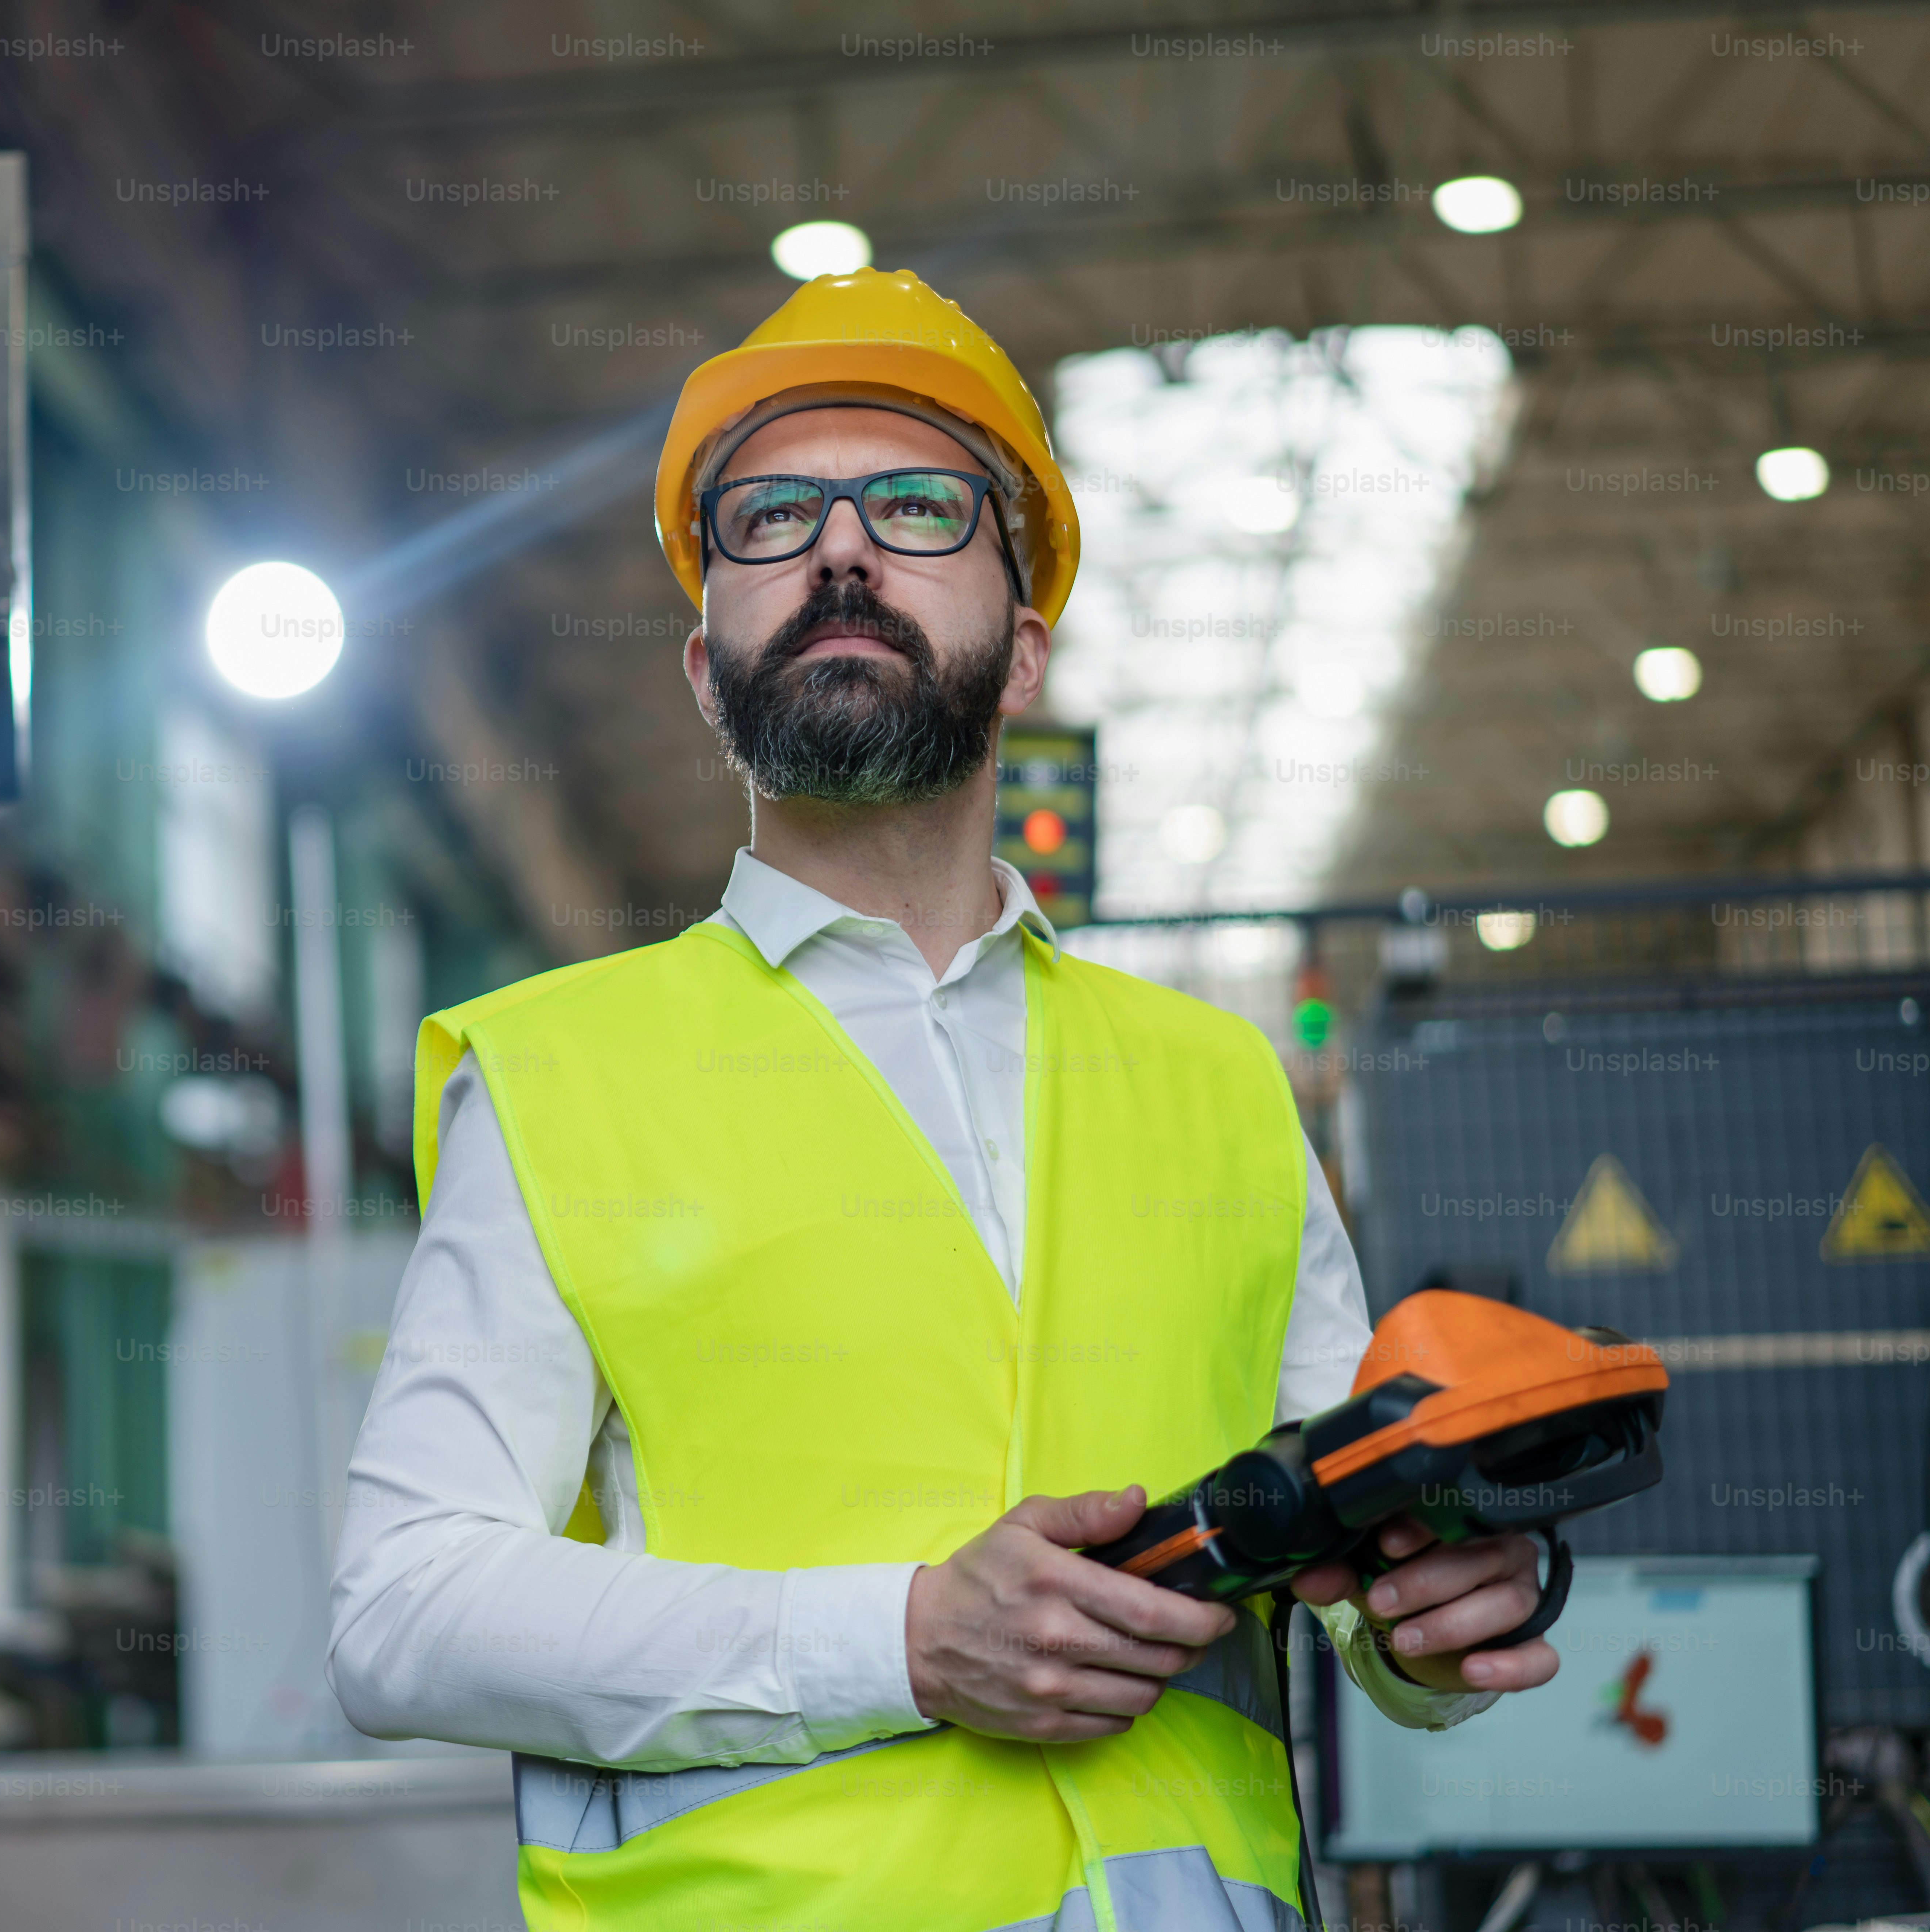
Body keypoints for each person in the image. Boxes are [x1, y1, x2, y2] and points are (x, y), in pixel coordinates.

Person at [325, 267, 1560, 1930]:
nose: (840, 549)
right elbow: (403, 1612)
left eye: (914, 507)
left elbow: (1348, 1578)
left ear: (1024, 646)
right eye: (769, 518)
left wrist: (1429, 1633)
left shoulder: (1213, 1083)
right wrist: (896, 1641)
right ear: (706, 671)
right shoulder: (561, 1076)